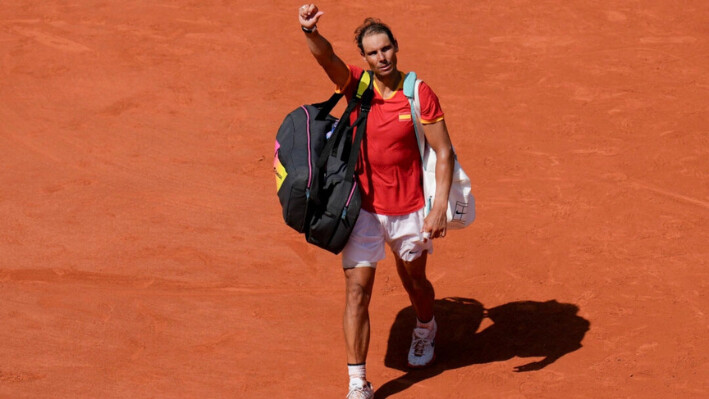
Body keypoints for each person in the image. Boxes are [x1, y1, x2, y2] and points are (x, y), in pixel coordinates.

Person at [298, 5, 455, 398]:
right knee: (357, 290)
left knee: (415, 281)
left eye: (386, 49)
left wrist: (438, 209)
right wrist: (310, 33)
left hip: (410, 210)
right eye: (373, 53)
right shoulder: (357, 86)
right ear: (365, 58)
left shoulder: (417, 94)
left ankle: (424, 327)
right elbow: (327, 58)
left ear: (396, 48)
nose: (381, 57)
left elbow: (445, 152)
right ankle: (357, 382)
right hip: (362, 210)